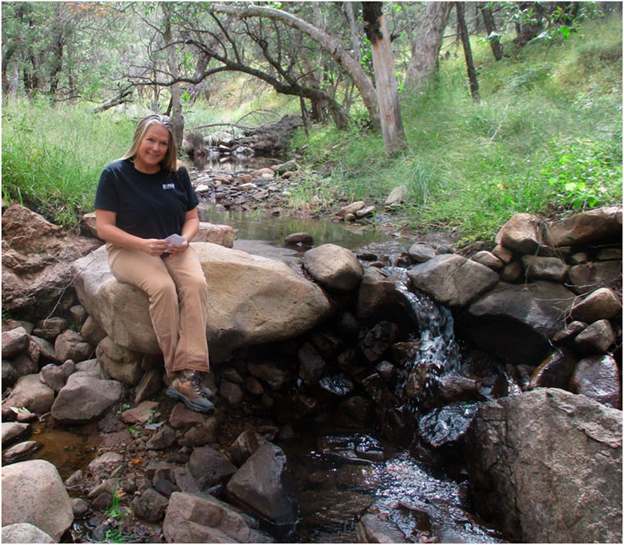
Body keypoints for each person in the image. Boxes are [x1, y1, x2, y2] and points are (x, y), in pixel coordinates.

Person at [94, 114, 214, 413]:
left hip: (173, 247)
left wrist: (185, 240)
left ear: (169, 147)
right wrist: (142, 245)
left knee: (196, 284)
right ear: (139, 139)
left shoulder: (177, 174)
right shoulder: (115, 174)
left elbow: (192, 218)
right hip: (129, 250)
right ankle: (178, 374)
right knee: (162, 287)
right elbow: (104, 227)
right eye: (151, 140)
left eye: (163, 143)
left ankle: (192, 369)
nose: (156, 148)